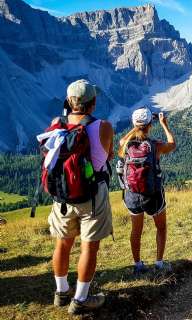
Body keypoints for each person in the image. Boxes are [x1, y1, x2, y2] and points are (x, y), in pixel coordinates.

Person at [47, 79, 114, 314]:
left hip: (62, 198)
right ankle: (81, 299)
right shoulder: (103, 126)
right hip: (92, 196)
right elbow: (109, 155)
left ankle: (61, 292)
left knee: (62, 244)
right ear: (93, 103)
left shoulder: (56, 123)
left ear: (69, 101)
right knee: (89, 248)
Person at [118, 107, 176, 275]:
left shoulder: (125, 144)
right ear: (151, 124)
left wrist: (136, 126)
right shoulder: (155, 145)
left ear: (134, 124)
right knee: (161, 228)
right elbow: (172, 144)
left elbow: (122, 139)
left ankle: (138, 265)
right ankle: (159, 263)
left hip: (133, 195)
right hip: (153, 195)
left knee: (136, 231)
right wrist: (164, 124)